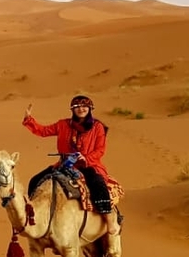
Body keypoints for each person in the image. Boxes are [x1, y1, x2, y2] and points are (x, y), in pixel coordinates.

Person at [22, 95, 121, 235]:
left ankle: (110, 221)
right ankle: (33, 216)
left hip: (88, 165)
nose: (81, 109)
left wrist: (85, 157)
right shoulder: (63, 124)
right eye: (77, 107)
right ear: (72, 109)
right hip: (64, 165)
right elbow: (43, 131)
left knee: (98, 183)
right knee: (35, 180)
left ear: (90, 109)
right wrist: (29, 120)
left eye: (84, 106)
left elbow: (100, 150)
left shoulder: (97, 127)